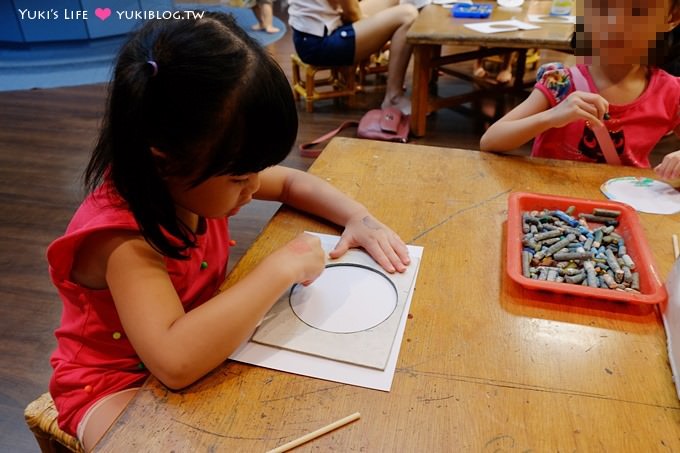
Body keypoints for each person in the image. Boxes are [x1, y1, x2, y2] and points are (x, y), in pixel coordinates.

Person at [47, 12, 411, 451]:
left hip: (196, 339)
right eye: (240, 178)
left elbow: (293, 182)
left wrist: (358, 217)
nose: (256, 185)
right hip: (113, 384)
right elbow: (175, 361)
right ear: (163, 162)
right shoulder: (123, 239)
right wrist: (281, 267)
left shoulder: (196, 177)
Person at [480, 0, 680, 179]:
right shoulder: (560, 82)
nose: (616, 23)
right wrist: (551, 116)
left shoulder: (671, 92)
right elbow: (491, 140)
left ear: (672, 17)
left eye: (638, 11)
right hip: (551, 209)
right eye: (603, 7)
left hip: (625, 208)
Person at [288, 0, 419, 114]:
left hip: (318, 31)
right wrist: (375, 36)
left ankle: (349, 70)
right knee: (408, 15)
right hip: (320, 43)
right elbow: (352, 12)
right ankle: (393, 98)